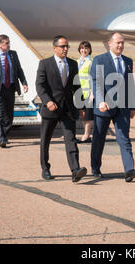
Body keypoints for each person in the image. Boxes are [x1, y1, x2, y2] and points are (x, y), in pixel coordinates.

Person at [90, 32, 135, 182]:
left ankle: (129, 170)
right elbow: (96, 82)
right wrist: (100, 101)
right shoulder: (100, 60)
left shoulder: (128, 61)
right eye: (118, 42)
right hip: (104, 107)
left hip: (123, 107)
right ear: (109, 43)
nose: (120, 45)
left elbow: (130, 84)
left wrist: (132, 106)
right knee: (99, 139)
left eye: (122, 43)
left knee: (124, 138)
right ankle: (95, 167)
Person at [35, 35, 87, 183]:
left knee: (71, 139)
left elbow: (76, 86)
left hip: (67, 109)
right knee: (46, 140)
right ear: (54, 48)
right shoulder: (45, 64)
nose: (65, 49)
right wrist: (47, 101)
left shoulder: (72, 64)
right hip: (50, 108)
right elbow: (40, 85)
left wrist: (81, 105)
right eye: (62, 46)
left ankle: (75, 170)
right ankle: (45, 168)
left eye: (67, 46)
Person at [0, 34, 28, 148]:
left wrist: (24, 83)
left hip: (10, 88)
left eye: (9, 43)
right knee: (0, 114)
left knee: (9, 115)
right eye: (6, 43)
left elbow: (19, 70)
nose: (8, 45)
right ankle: (1, 139)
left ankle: (5, 134)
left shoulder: (13, 54)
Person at [77, 41, 94, 143]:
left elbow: (92, 78)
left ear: (89, 50)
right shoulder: (77, 61)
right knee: (82, 115)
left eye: (86, 48)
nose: (84, 50)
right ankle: (85, 134)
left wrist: (92, 92)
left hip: (88, 92)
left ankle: (86, 135)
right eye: (82, 48)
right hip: (79, 92)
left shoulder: (91, 62)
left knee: (88, 115)